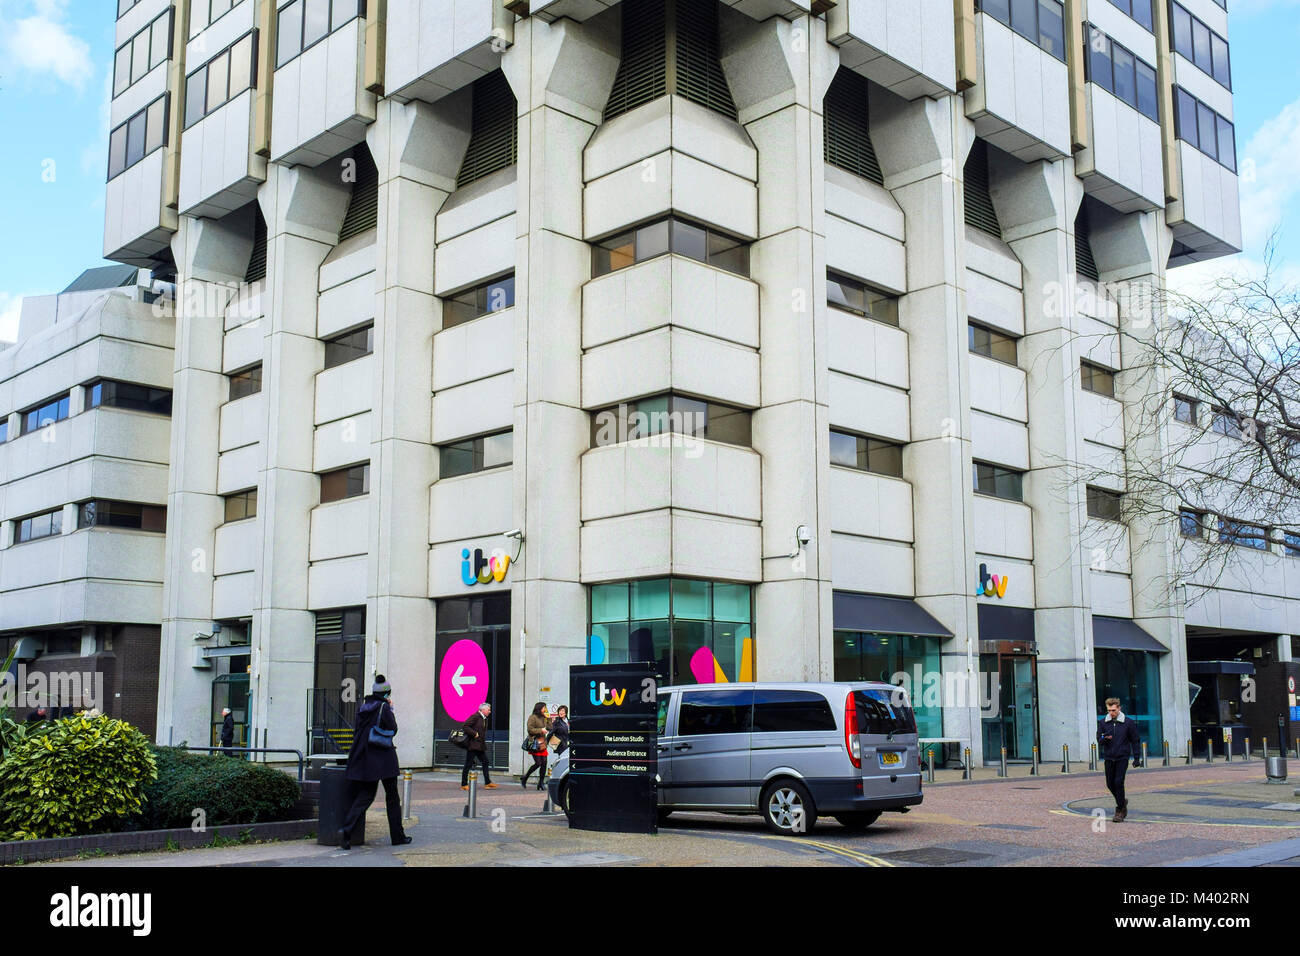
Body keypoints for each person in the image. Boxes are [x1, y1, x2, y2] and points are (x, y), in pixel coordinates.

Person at [337, 676, 412, 849]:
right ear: (386, 694)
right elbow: (393, 729)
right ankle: (397, 836)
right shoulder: (384, 707)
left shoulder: (363, 707)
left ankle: (346, 830)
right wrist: (391, 709)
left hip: (366, 759)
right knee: (392, 797)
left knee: (366, 796)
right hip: (384, 758)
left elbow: (357, 731)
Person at [1098, 697, 1142, 823]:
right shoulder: (1103, 723)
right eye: (1109, 710)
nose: (1111, 713)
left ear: (1119, 708)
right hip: (1109, 757)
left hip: (1122, 757)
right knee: (1109, 784)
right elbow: (1099, 740)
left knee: (1118, 782)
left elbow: (1135, 740)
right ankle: (1122, 801)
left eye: (1113, 710)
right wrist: (1105, 738)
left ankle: (1120, 810)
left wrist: (1137, 757)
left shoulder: (1128, 723)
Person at [461, 702, 498, 790]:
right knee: (468, 764)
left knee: (485, 761)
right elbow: (465, 726)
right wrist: (475, 734)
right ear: (483, 710)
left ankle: (487, 782)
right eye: (488, 710)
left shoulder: (484, 718)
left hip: (480, 745)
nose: (490, 711)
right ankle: (464, 784)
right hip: (473, 745)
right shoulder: (475, 716)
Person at [521, 702, 550, 790]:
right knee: (538, 763)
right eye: (543, 708)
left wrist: (548, 719)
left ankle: (541, 783)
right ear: (539, 708)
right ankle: (525, 777)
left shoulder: (544, 717)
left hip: (542, 744)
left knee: (544, 763)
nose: (545, 709)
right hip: (535, 743)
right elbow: (530, 730)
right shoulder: (532, 717)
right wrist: (541, 730)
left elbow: (550, 728)